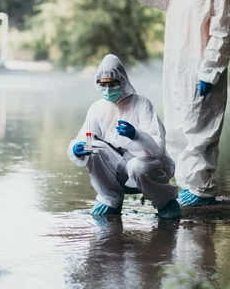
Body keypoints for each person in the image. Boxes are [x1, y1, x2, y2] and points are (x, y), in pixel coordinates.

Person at [115, 0, 230, 206]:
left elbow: (222, 33)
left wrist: (210, 72)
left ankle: (203, 191)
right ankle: (186, 185)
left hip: (202, 72)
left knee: (199, 130)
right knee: (178, 129)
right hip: (176, 72)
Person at [67, 54, 180, 218]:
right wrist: (77, 148)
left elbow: (158, 148)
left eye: (112, 84)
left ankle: (165, 201)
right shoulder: (97, 108)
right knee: (93, 149)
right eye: (103, 84)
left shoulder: (141, 104)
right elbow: (86, 137)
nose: (107, 89)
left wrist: (137, 135)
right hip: (116, 166)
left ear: (122, 81)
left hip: (144, 165)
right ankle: (109, 199)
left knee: (137, 166)